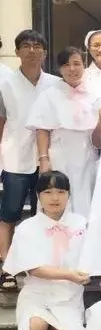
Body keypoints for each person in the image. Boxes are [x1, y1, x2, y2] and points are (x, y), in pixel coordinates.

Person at [5, 171, 89, 330]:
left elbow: (91, 257)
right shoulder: (27, 228)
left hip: (69, 297)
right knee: (35, 324)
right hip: (38, 295)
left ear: (69, 194)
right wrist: (69, 274)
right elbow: (33, 268)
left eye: (61, 191)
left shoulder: (81, 224)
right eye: (48, 192)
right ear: (38, 195)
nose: (55, 197)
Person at [0, 29, 59, 291]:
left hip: (48, 158)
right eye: (26, 45)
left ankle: (40, 265)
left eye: (37, 46)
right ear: (17, 51)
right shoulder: (5, 84)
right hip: (15, 157)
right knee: (10, 212)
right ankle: (7, 266)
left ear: (45, 52)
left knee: (43, 214)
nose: (32, 51)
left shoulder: (55, 84)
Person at [26, 47, 98, 218]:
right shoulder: (50, 95)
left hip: (87, 155)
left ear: (84, 65)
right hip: (60, 155)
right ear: (59, 68)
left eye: (76, 63)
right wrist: (44, 159)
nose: (72, 69)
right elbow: (42, 128)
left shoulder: (94, 94)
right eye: (66, 64)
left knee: (86, 201)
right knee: (59, 198)